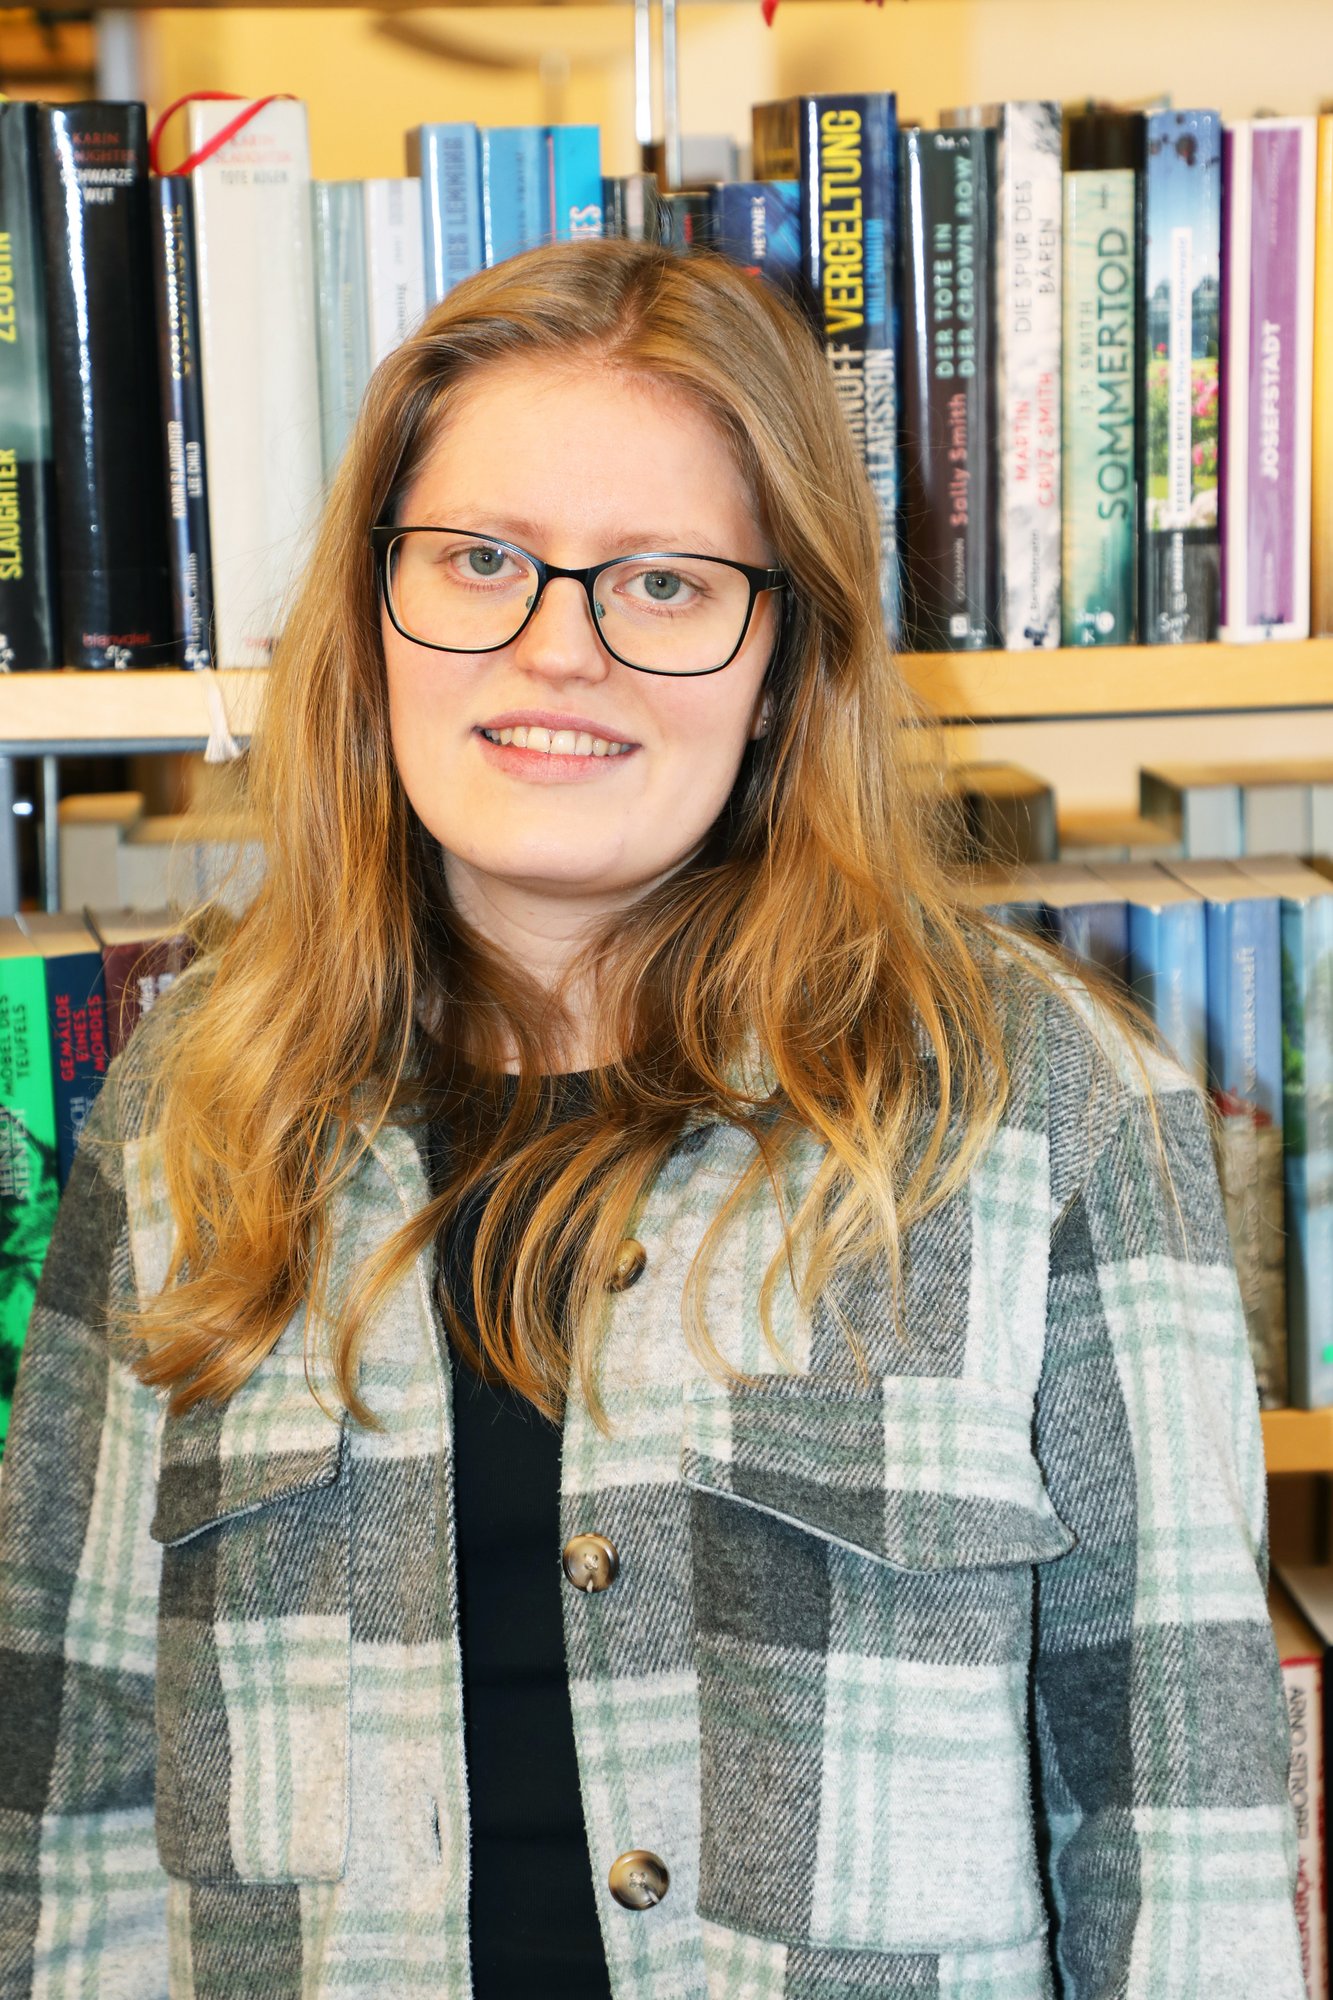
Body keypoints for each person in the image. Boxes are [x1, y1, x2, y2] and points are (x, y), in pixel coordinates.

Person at [0, 237, 1303, 2000]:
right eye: (480, 560)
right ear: (372, 614)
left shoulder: (1044, 1110)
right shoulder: (190, 1107)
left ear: (784, 657)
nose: (559, 651)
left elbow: (1180, 1846)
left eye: (666, 585)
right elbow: (64, 1804)